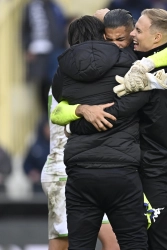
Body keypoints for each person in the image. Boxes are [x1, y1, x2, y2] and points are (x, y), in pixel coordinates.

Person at [52, 8, 167, 250]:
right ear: (101, 38)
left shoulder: (140, 58)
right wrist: (82, 111)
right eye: (110, 39)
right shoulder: (118, 63)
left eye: (126, 37)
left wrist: (147, 65)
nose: (117, 45)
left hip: (165, 157)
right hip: (134, 165)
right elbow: (59, 111)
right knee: (147, 240)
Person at [52, 15, 150, 250]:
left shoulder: (62, 73)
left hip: (80, 171)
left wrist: (79, 120)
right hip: (122, 170)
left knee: (80, 246)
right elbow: (143, 95)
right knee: (134, 243)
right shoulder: (128, 60)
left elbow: (59, 105)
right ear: (102, 36)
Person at [41, 88, 120, 250]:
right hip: (63, 170)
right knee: (64, 243)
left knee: (113, 241)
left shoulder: (76, 73)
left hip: (84, 167)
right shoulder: (68, 78)